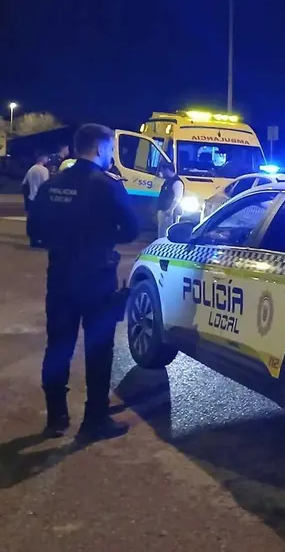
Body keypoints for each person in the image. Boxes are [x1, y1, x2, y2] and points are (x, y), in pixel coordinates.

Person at [27, 124, 140, 442]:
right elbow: (131, 230)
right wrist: (102, 238)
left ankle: (56, 417)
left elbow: (35, 231)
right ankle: (94, 420)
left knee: (58, 346)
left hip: (61, 275)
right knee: (98, 350)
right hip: (96, 278)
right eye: (110, 150)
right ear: (101, 148)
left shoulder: (53, 184)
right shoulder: (107, 186)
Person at [22, 153, 50, 248]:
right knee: (42, 219)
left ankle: (33, 240)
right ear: (43, 158)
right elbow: (46, 184)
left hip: (31, 197)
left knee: (32, 219)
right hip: (41, 197)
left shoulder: (31, 169)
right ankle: (40, 240)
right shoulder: (44, 170)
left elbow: (24, 184)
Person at [156, 163, 184, 238]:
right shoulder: (168, 181)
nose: (162, 173)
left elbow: (177, 198)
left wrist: (170, 210)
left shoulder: (177, 182)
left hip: (170, 213)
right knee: (162, 233)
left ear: (167, 170)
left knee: (168, 234)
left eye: (163, 171)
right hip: (164, 210)